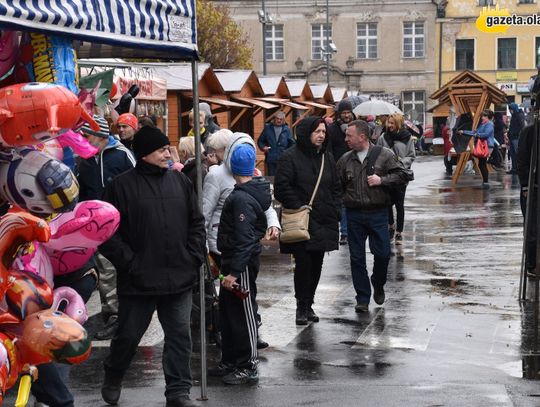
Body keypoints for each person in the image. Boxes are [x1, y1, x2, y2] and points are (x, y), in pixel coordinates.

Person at [99, 126, 205, 407]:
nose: (168, 154)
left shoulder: (180, 182)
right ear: (145, 154)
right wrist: (131, 263)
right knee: (129, 336)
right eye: (162, 150)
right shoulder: (120, 186)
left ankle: (178, 392)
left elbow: (196, 222)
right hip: (139, 281)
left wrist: (194, 256)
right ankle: (114, 373)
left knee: (180, 336)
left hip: (179, 277)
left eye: (168, 149)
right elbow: (106, 233)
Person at [203, 130, 280, 348]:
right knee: (232, 294)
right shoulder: (216, 175)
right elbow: (205, 211)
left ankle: (248, 333)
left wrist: (273, 224)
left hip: (244, 245)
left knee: (244, 291)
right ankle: (231, 335)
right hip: (220, 244)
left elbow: (266, 205)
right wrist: (202, 244)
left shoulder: (252, 173)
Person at [212, 144, 272, 384]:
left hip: (240, 264)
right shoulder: (246, 193)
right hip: (235, 260)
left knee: (243, 312)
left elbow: (245, 239)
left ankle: (248, 365)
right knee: (229, 313)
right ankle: (231, 360)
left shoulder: (242, 198)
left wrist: (235, 272)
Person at [336, 120, 408, 313]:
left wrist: (381, 180)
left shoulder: (385, 155)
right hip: (354, 214)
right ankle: (362, 297)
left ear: (362, 136)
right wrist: (342, 203)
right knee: (357, 258)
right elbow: (337, 187)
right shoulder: (344, 160)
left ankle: (378, 283)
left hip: (378, 213)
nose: (346, 139)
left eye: (349, 136)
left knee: (383, 254)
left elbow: (403, 175)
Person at [274, 116, 340, 325]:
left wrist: (336, 208)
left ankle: (309, 303)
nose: (321, 135)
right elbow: (282, 188)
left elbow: (336, 186)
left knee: (317, 264)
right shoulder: (289, 157)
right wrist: (301, 205)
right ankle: (301, 306)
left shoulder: (326, 158)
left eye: (323, 131)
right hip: (301, 219)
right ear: (306, 133)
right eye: (317, 131)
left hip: (324, 218)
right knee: (303, 264)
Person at [77, 115, 136, 341]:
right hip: (93, 227)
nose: (82, 139)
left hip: (121, 224)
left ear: (100, 135)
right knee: (105, 271)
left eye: (86, 135)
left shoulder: (122, 155)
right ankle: (113, 316)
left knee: (119, 268)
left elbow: (137, 184)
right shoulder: (84, 159)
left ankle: (125, 315)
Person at [377, 113, 415, 244]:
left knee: (399, 204)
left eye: (392, 123)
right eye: (388, 123)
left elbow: (411, 155)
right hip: (387, 174)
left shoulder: (407, 138)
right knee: (387, 202)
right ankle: (390, 226)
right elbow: (378, 152)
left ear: (398, 123)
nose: (389, 125)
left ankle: (399, 232)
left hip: (401, 174)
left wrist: (401, 163)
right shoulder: (383, 137)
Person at [327, 99, 356, 246]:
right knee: (343, 201)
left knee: (357, 200)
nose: (346, 115)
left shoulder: (357, 127)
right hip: (340, 170)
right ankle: (344, 232)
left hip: (357, 169)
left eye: (348, 112)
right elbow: (329, 149)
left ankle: (355, 230)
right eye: (343, 113)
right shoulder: (332, 129)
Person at [459, 109, 494, 188]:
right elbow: (474, 132)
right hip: (483, 146)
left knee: (482, 164)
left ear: (488, 117)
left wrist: (476, 135)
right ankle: (485, 182)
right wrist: (464, 132)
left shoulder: (489, 124)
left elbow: (485, 134)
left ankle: (486, 183)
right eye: (482, 116)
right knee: (481, 164)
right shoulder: (483, 124)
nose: (482, 117)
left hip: (487, 146)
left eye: (484, 116)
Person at [257, 111, 295, 176]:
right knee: (272, 178)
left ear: (284, 120)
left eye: (281, 119)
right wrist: (263, 147)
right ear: (274, 118)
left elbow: (292, 144)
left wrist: (287, 153)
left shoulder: (287, 129)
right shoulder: (267, 128)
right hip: (271, 158)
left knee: (282, 178)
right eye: (277, 118)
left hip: (283, 160)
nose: (279, 120)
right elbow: (260, 141)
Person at [507, 103, 526, 174]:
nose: (510, 111)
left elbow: (522, 126)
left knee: (517, 154)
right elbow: (513, 126)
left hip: (516, 137)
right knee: (513, 154)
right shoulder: (514, 115)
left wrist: (515, 133)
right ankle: (514, 169)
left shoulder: (519, 115)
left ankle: (518, 169)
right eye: (509, 110)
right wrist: (509, 133)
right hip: (512, 137)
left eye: (511, 109)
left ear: (514, 109)